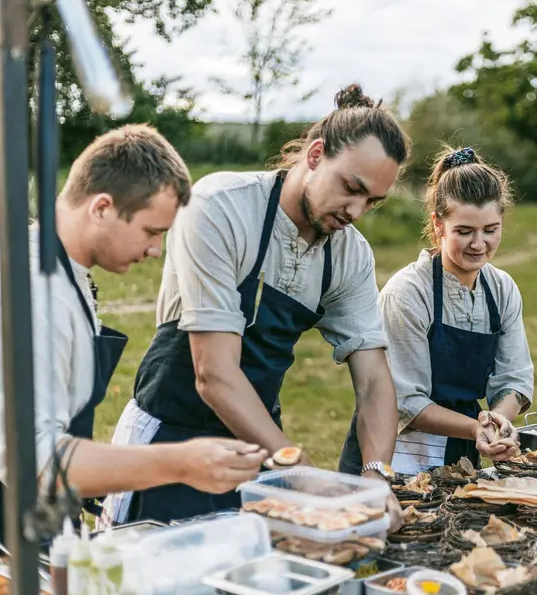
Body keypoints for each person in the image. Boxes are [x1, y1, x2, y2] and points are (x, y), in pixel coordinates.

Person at [102, 84, 410, 527]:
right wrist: (298, 468)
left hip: (256, 453)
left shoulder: (350, 254)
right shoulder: (220, 207)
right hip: (167, 442)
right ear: (315, 154)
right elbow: (215, 375)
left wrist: (376, 474)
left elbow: (374, 379)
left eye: (372, 201)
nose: (357, 211)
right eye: (351, 188)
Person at [0, 125, 267, 542]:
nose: (157, 250)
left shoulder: (67, 273)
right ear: (102, 207)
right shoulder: (39, 290)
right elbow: (33, 461)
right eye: (151, 231)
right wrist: (181, 463)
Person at [379, 146, 533, 474]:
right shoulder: (407, 294)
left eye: (490, 230)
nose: (479, 244)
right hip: (396, 451)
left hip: (463, 450)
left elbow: (514, 379)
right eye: (464, 232)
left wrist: (499, 419)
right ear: (438, 224)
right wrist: (475, 427)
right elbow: (406, 403)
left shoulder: (502, 290)